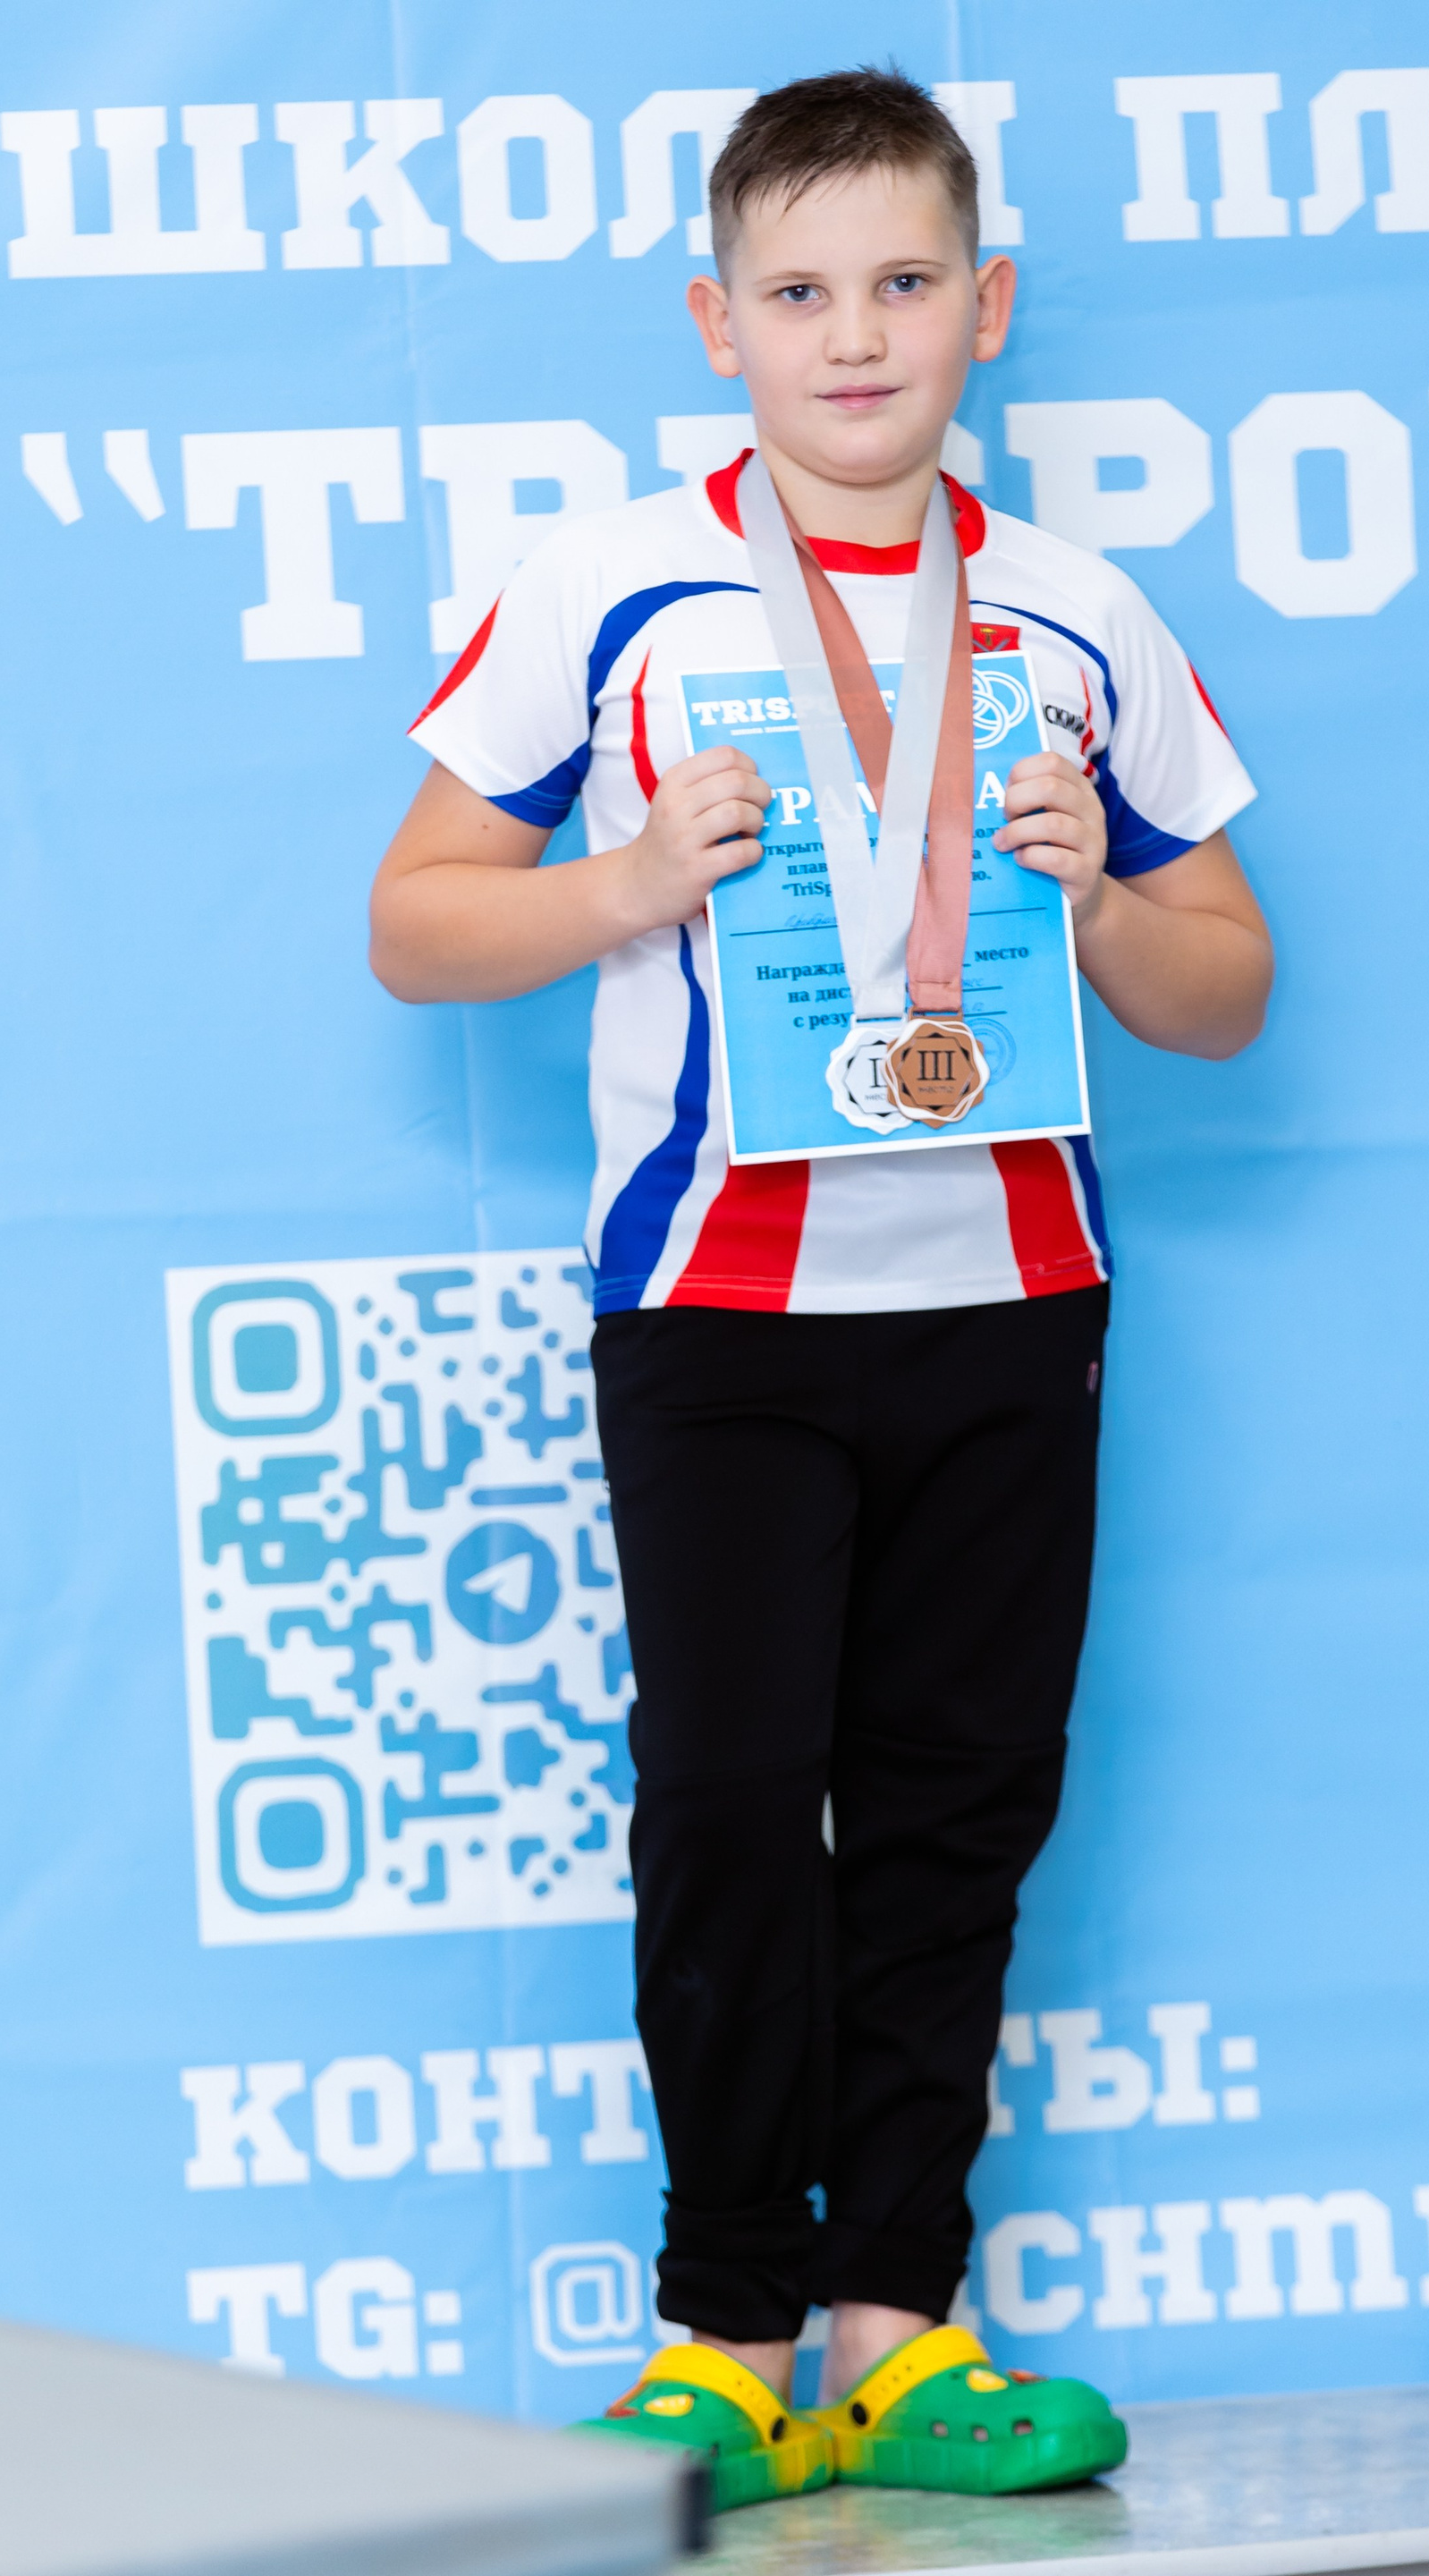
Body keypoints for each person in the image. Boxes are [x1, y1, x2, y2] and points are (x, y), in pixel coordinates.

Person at [371, 65, 1271, 2512]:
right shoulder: (610, 588)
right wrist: (623, 883)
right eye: (797, 291)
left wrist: (1104, 901)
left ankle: (899, 2328)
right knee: (735, 1811)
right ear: (717, 324)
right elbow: (416, 921)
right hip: (722, 1314)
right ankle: (724, 2336)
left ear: (988, 305)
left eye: (901, 284)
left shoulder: (1077, 610)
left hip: (1014, 1299)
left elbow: (1226, 985)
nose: (853, 335)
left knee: (964, 1812)